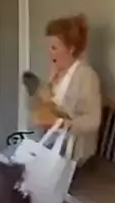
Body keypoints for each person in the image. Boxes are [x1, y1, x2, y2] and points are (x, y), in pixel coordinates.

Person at [38, 14, 102, 167]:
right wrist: (50, 82)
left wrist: (63, 124)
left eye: (54, 48)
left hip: (73, 151)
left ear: (71, 49)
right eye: (49, 47)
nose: (49, 52)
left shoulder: (87, 76)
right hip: (52, 143)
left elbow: (93, 120)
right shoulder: (57, 72)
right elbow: (47, 107)